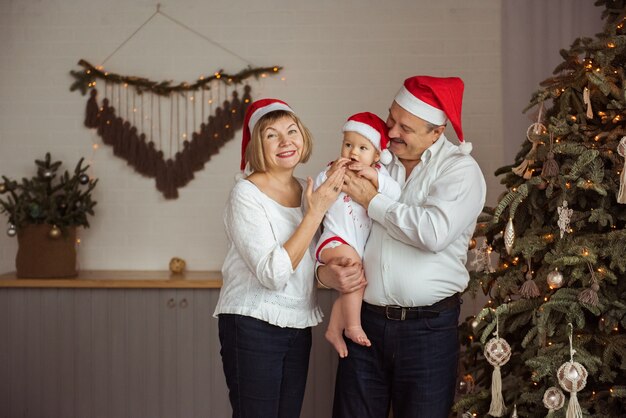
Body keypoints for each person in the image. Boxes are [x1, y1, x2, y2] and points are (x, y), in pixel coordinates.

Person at [318, 76, 487, 418]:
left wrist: (373, 201)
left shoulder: (460, 171)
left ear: (436, 132)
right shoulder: (376, 160)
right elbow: (335, 226)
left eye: (404, 127)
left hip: (428, 331)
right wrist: (324, 275)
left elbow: (433, 232)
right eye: (390, 118)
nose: (391, 131)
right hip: (364, 324)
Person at [213, 98, 345, 418]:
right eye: (271, 135)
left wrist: (331, 274)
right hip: (252, 324)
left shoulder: (306, 189)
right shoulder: (245, 194)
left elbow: (305, 265)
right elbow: (273, 273)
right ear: (257, 145)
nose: (286, 141)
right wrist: (315, 214)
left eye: (292, 130)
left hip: (297, 324)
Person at [314, 112, 401, 358]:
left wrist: (376, 178)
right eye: (348, 144)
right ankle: (352, 326)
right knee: (352, 267)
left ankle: (334, 328)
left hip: (356, 246)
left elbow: (396, 194)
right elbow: (317, 197)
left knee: (356, 281)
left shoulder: (379, 174)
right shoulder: (333, 169)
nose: (353, 152)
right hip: (335, 239)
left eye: (362, 148)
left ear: (376, 155)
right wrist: (331, 177)